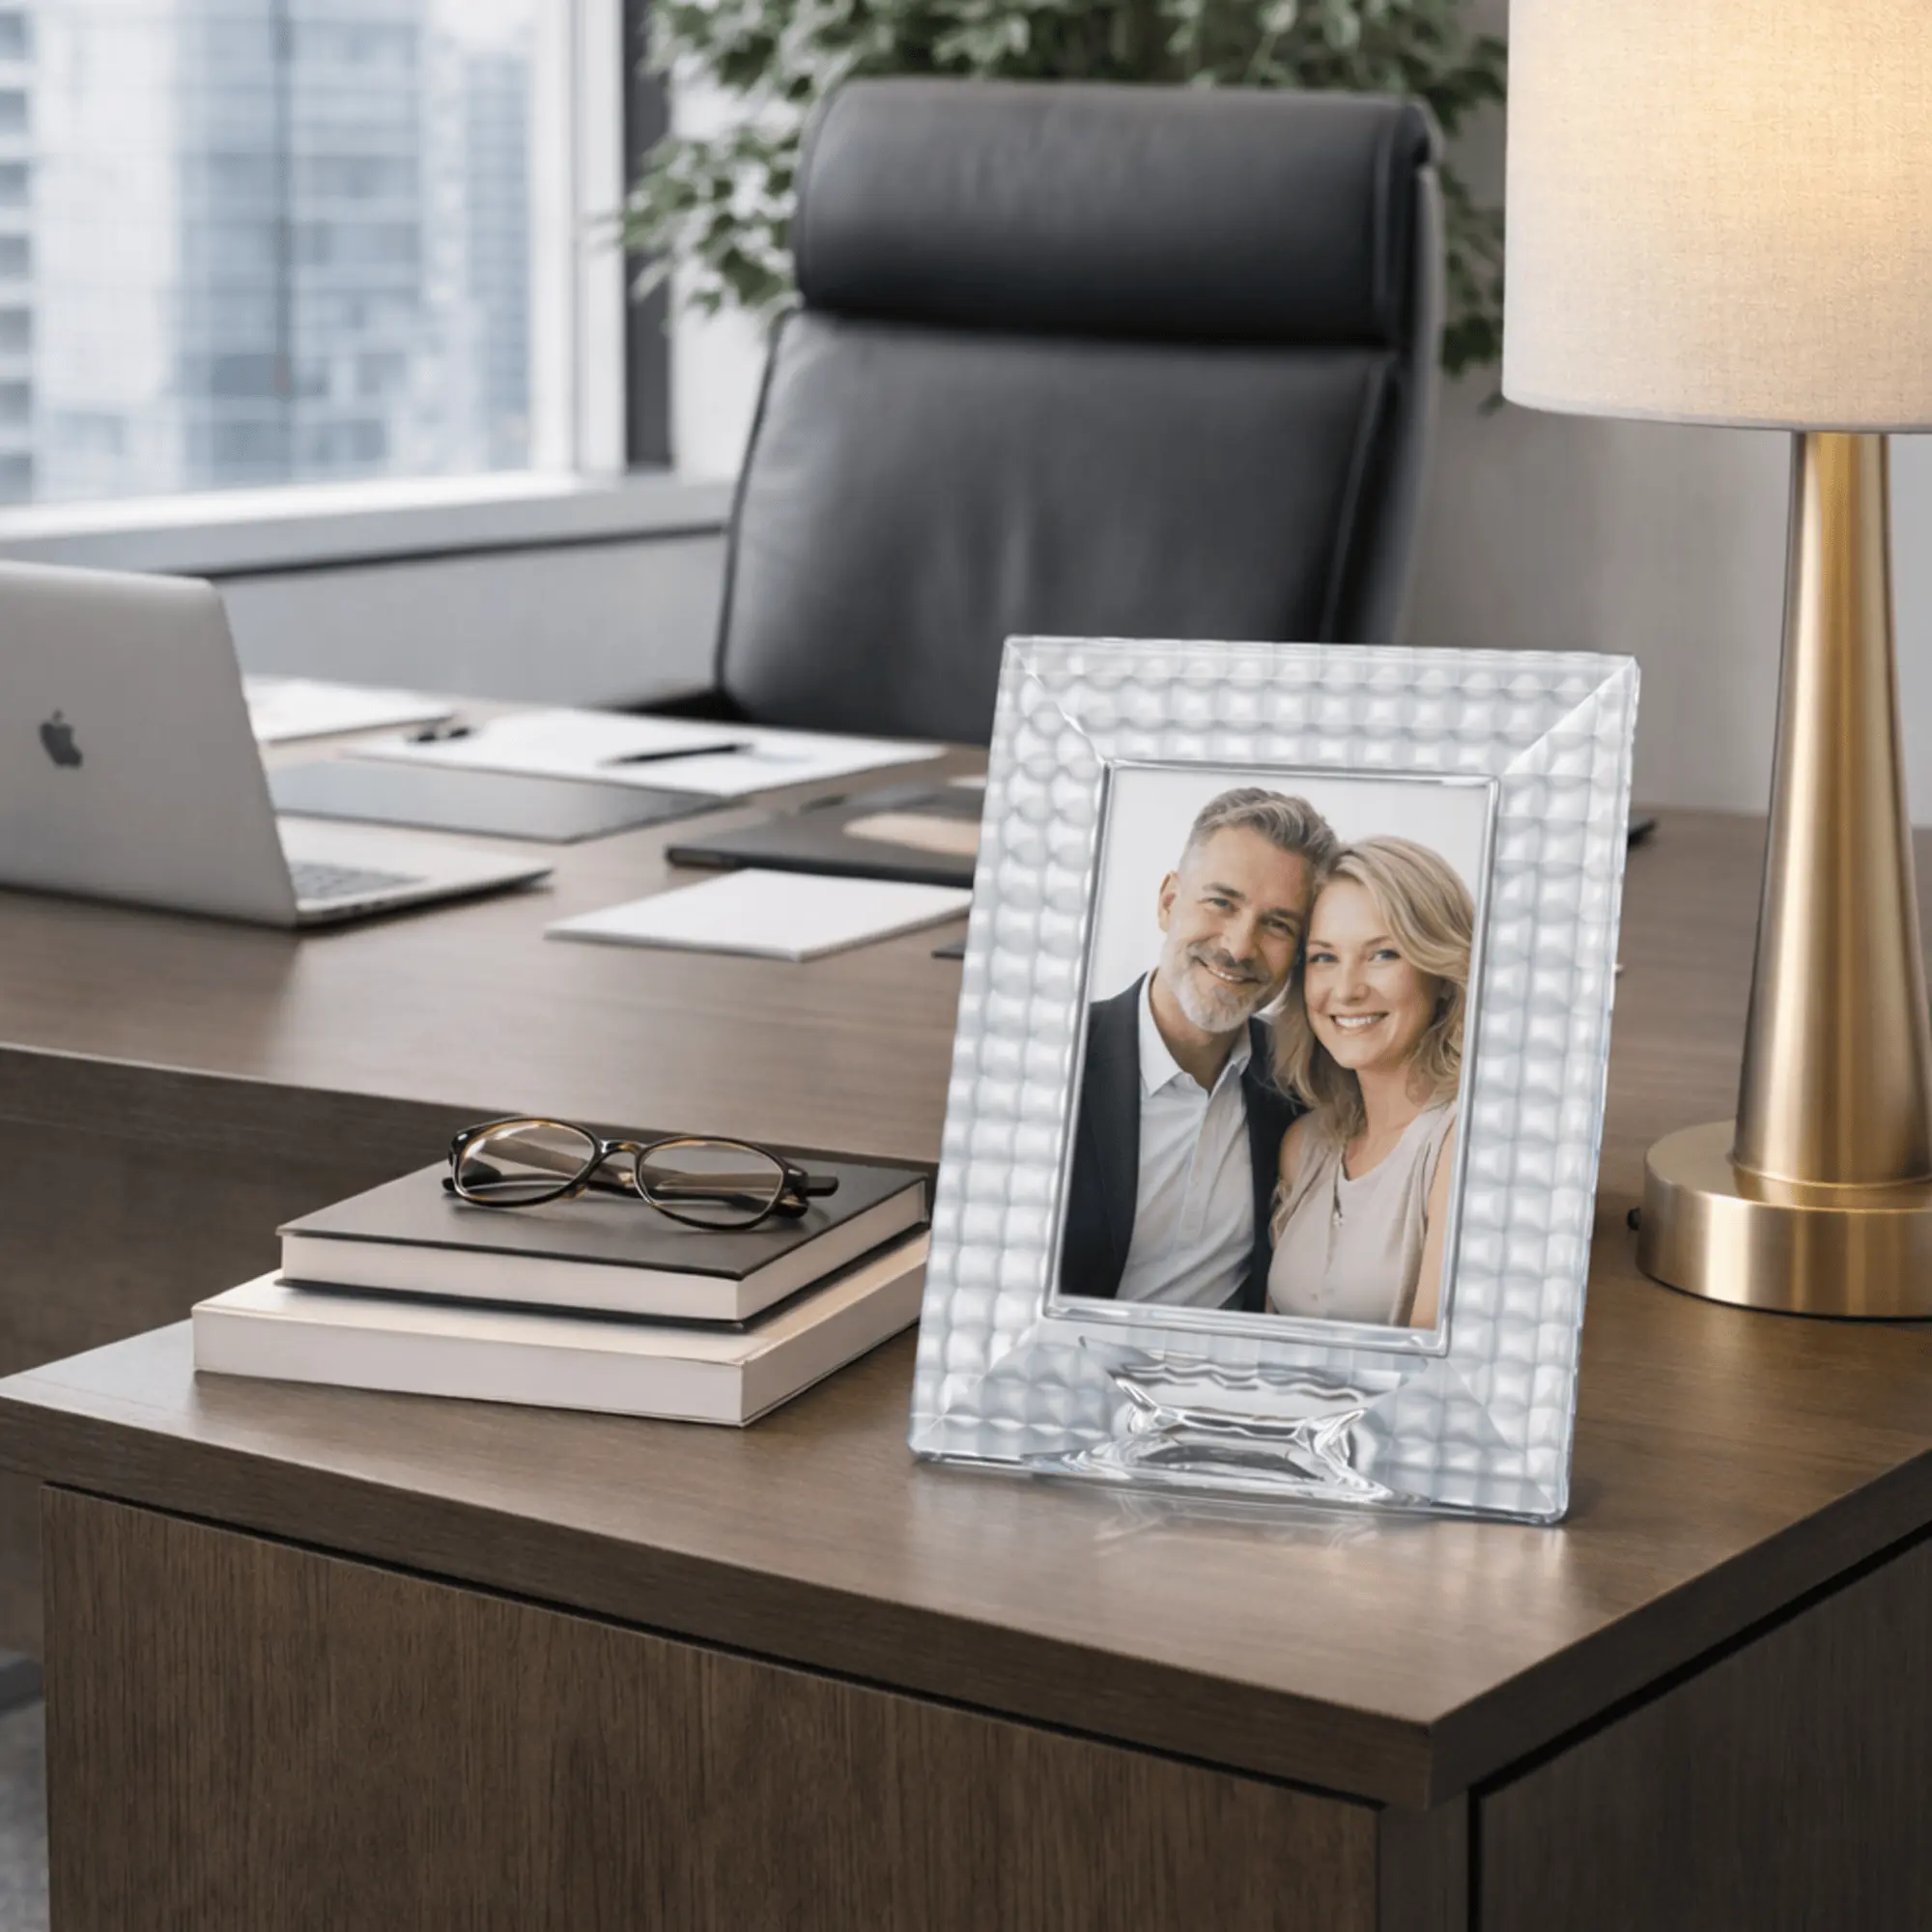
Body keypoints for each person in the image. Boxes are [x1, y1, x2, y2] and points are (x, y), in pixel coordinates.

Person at [1062, 787, 1337, 1312]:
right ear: (1169, 902)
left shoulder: (1302, 1081)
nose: (1237, 946)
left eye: (1277, 924)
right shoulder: (1056, 1059)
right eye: (1221, 902)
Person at [1266, 838, 1473, 1329]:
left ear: (1441, 972)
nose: (1347, 990)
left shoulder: (1462, 1143)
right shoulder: (1305, 1146)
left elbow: (1433, 1373)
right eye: (1323, 958)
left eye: (1382, 954)